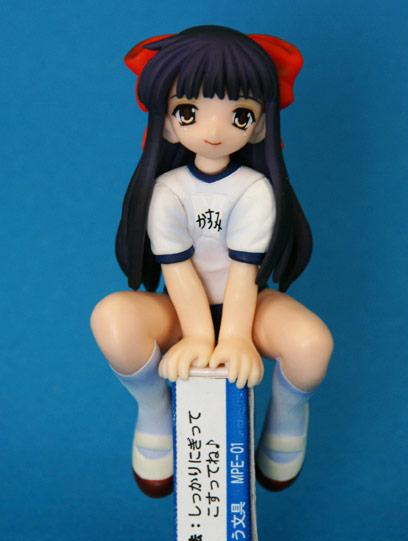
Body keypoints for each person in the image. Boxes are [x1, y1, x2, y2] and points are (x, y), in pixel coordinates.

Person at [90, 26, 333, 498]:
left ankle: (287, 414)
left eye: (240, 115)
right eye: (189, 112)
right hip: (181, 313)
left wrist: (236, 337)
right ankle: (154, 408)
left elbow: (244, 273)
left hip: (250, 309)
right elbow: (178, 270)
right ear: (166, 123)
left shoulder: (255, 190)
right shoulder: (167, 191)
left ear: (259, 126)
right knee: (112, 318)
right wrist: (200, 336)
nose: (215, 131)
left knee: (311, 344)